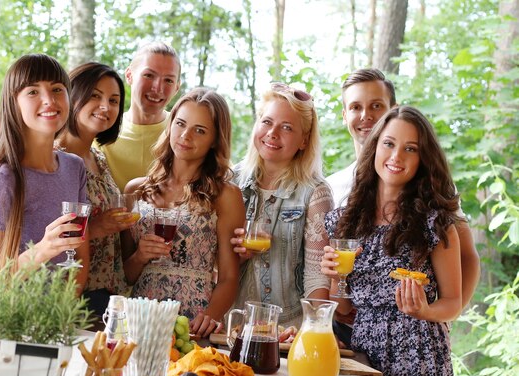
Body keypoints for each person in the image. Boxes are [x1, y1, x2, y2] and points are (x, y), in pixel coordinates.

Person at [322, 105, 462, 376]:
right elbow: (344, 310)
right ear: (374, 147)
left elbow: (454, 302)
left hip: (420, 359)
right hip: (364, 355)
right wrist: (335, 277)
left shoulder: (435, 223)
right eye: (389, 144)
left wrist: (425, 310)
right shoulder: (345, 221)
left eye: (410, 149)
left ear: (422, 159)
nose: (396, 156)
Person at [327, 68, 480, 346]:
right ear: (344, 114)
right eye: (355, 107)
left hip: (416, 342)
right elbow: (338, 293)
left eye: (376, 105)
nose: (366, 116)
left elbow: (467, 259)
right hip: (350, 338)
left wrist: (438, 316)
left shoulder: (434, 197)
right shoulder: (333, 189)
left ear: (391, 110)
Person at [122, 87, 245, 338]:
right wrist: (140, 256)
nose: (185, 136)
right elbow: (126, 274)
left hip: (191, 322)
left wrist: (209, 316)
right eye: (180, 124)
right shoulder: (135, 190)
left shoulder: (226, 195)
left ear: (214, 141)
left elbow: (229, 277)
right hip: (140, 318)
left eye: (200, 130)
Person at [0, 54, 89, 291]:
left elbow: (80, 258)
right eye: (32, 91)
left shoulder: (75, 167)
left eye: (57, 89)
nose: (49, 100)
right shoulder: (4, 179)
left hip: (58, 322)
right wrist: (42, 250)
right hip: (11, 321)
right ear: (14, 102)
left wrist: (64, 315)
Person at [230, 83, 332, 332]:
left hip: (286, 329)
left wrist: (313, 327)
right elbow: (209, 264)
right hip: (230, 326)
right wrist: (236, 257)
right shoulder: (229, 182)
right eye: (267, 122)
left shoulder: (315, 192)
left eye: (287, 127)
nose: (273, 133)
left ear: (303, 141)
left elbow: (318, 275)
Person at [55, 62, 134, 320]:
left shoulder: (98, 158)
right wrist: (97, 227)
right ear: (72, 95)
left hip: (108, 291)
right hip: (73, 294)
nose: (105, 107)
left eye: (113, 101)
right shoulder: (55, 158)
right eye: (95, 96)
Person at [102, 42, 182, 191]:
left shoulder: (185, 133)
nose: (157, 88)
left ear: (177, 87)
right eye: (149, 75)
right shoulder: (102, 130)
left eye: (168, 80)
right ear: (129, 75)